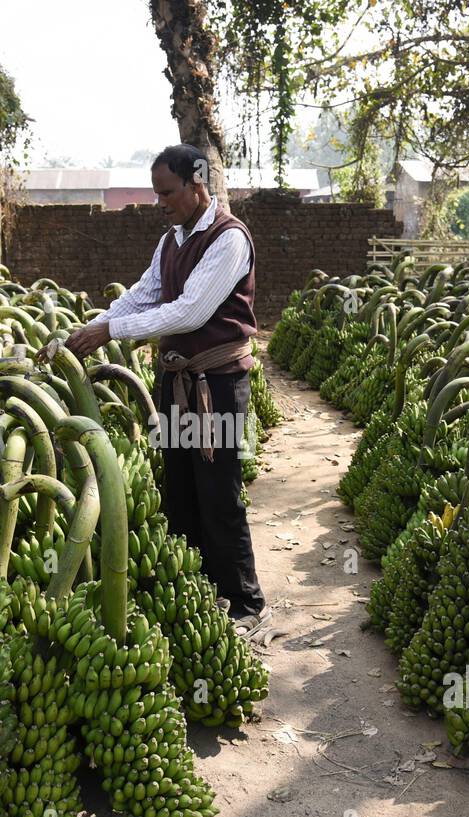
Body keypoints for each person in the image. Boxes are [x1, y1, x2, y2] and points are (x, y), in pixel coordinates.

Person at [66, 144, 271, 640]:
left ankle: (246, 602)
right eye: (157, 193)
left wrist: (113, 333)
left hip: (216, 384)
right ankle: (199, 592)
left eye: (167, 192)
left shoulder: (229, 239)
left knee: (218, 491)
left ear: (197, 183)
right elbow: (145, 293)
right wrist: (92, 326)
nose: (161, 202)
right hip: (176, 382)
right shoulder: (172, 240)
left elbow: (190, 311)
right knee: (179, 489)